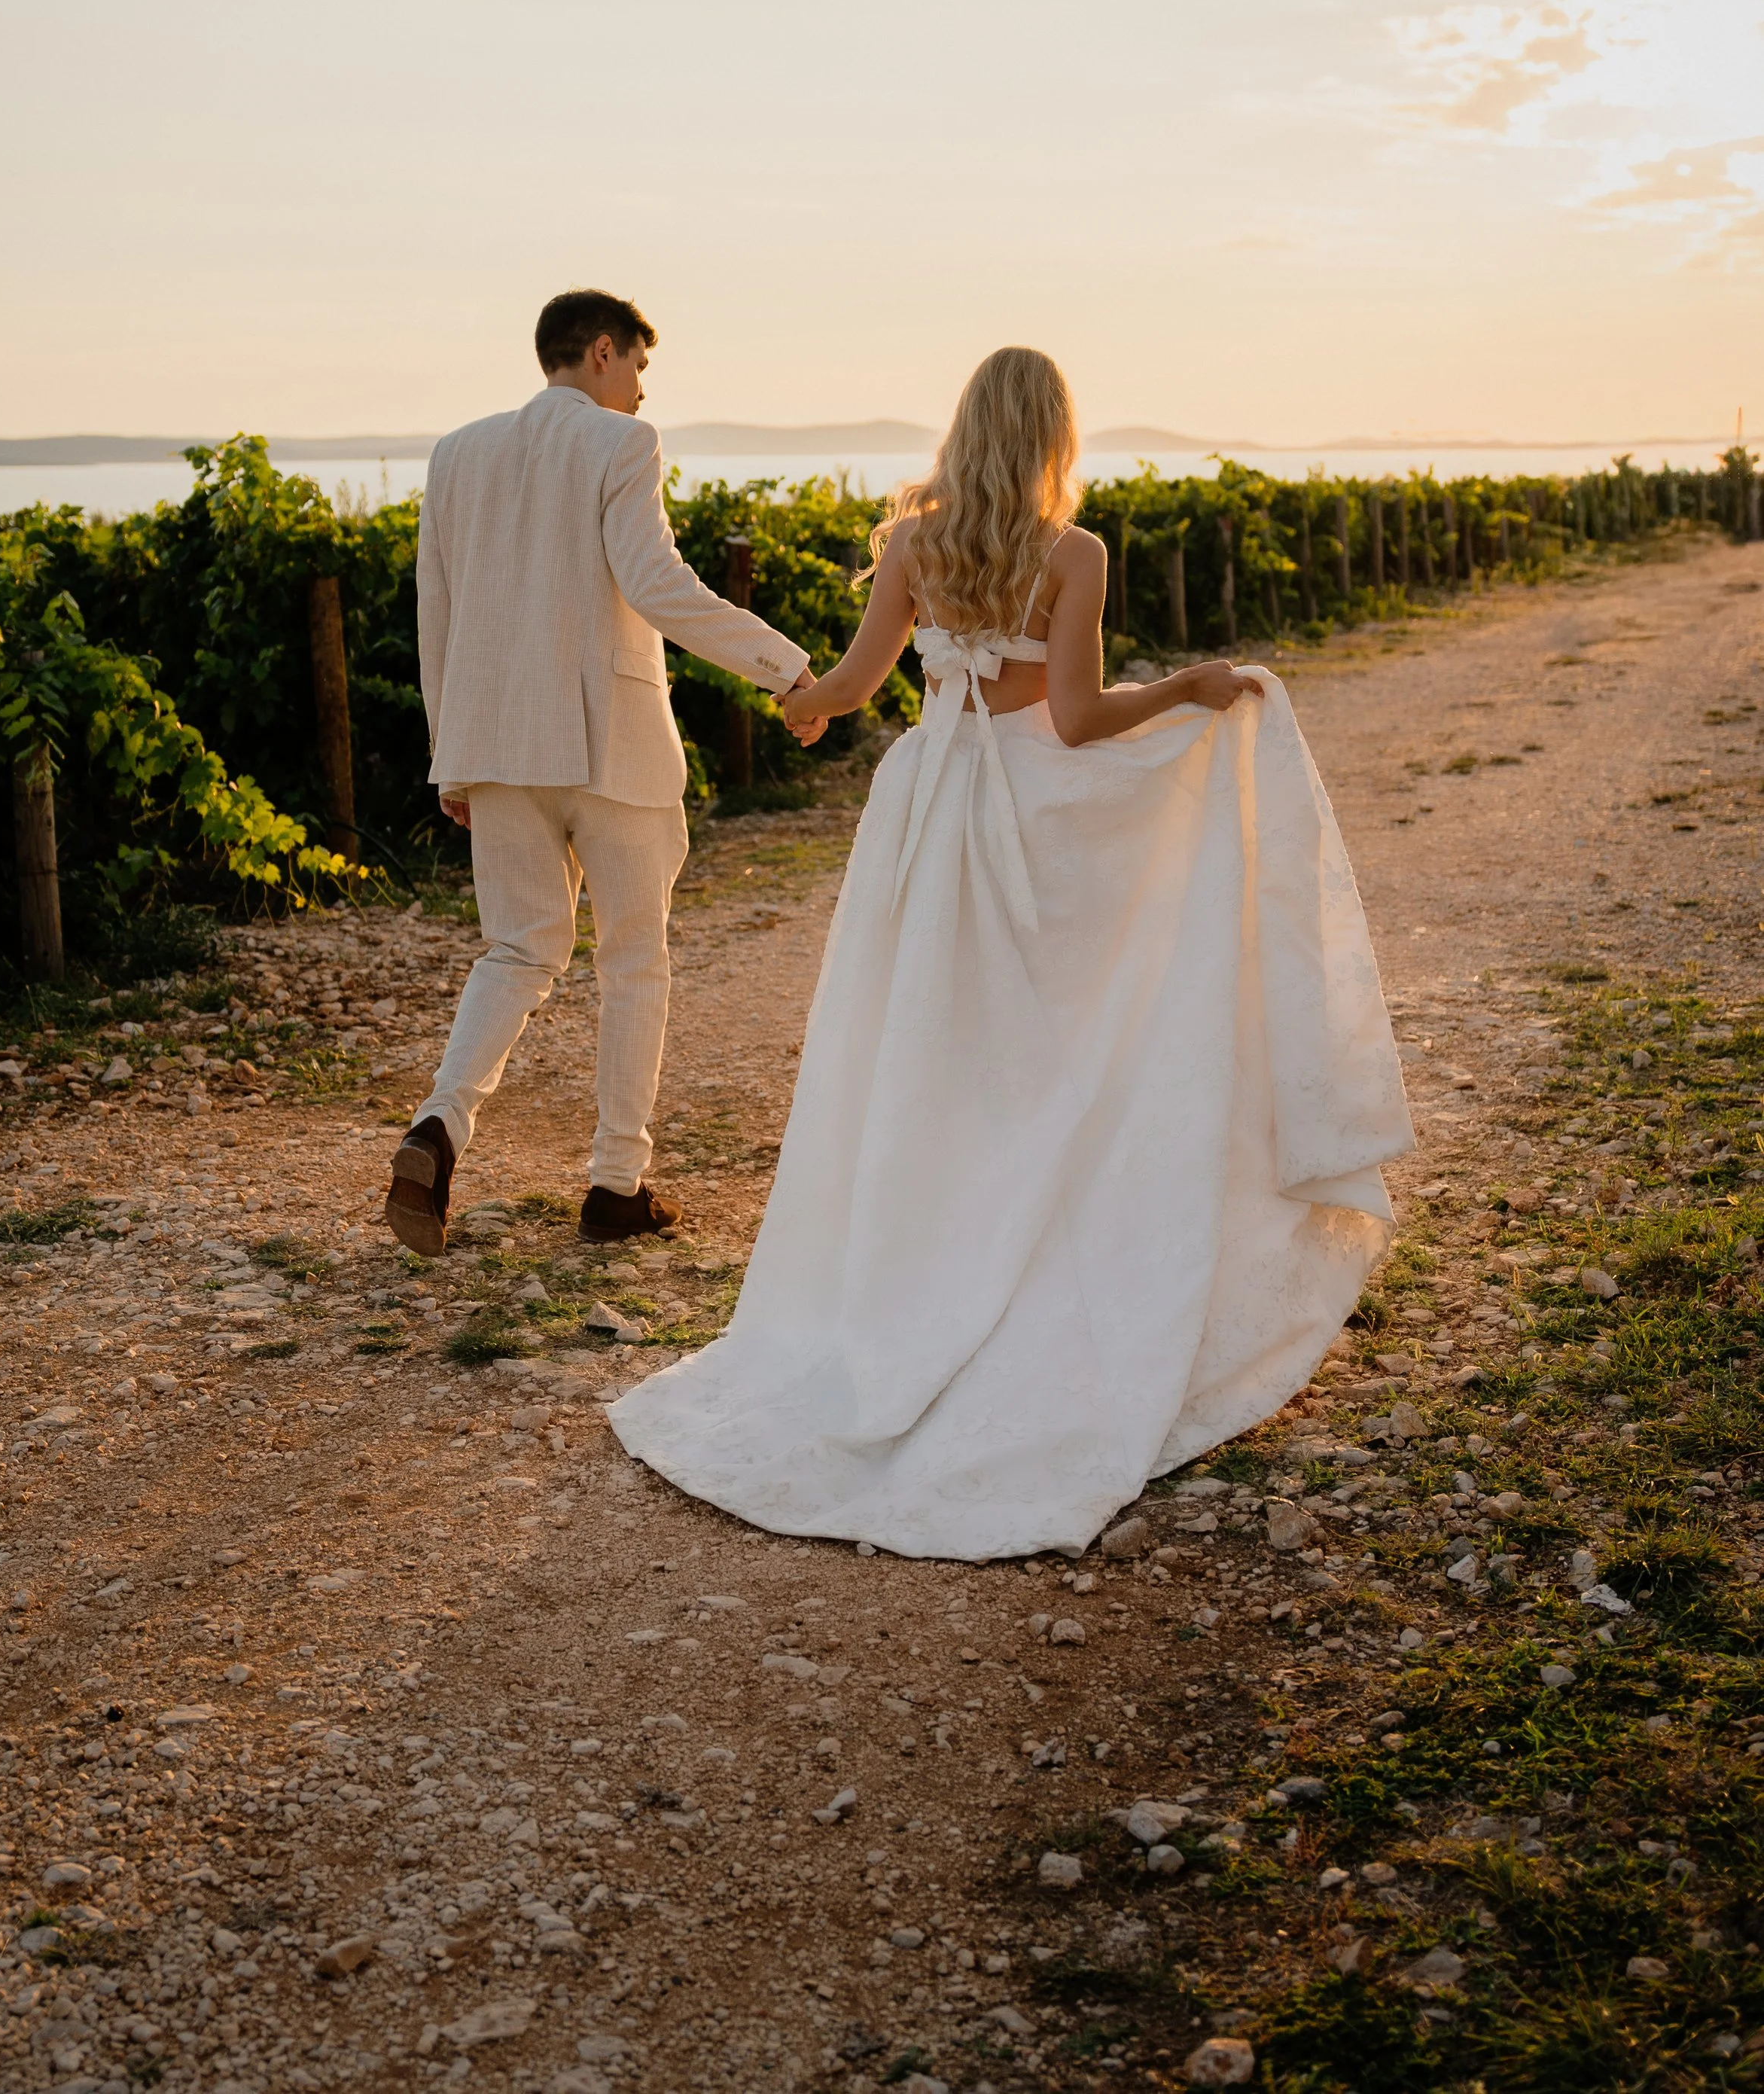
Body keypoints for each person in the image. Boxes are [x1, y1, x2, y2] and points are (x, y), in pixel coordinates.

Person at [609, 346, 1412, 1560]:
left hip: (930, 809)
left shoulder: (913, 541)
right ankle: (1035, 1242)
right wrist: (1187, 689)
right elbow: (1081, 719)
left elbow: (858, 679)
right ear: (1053, 434)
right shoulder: (1071, 553)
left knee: (932, 1048)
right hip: (1032, 814)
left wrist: (806, 698)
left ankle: (915, 1266)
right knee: (1057, 1048)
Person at [385, 289, 822, 1256]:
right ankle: (616, 1184)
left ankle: (437, 1127)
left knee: (517, 951)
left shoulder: (456, 453)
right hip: (610, 744)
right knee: (633, 958)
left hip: (494, 745)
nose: (637, 391)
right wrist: (788, 669)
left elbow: (437, 612)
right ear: (599, 351)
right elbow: (659, 585)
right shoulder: (623, 445)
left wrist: (447, 753)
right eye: (636, 368)